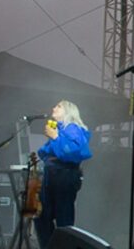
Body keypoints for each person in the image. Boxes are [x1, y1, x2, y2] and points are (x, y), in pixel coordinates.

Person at [34, 100, 92, 249]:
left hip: (64, 175)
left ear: (68, 111)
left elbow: (73, 152)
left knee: (63, 218)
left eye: (58, 106)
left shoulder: (72, 128)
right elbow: (47, 152)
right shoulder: (61, 129)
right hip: (52, 175)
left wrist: (55, 137)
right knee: (42, 216)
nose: (54, 108)